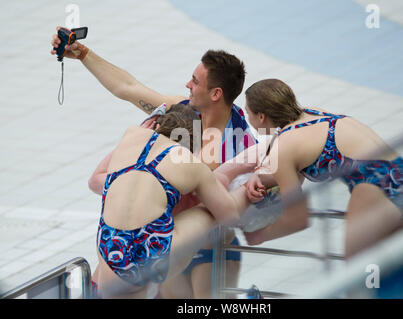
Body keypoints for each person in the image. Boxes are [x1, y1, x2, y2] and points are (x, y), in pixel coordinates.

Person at [52, 28, 258, 298]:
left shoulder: (240, 145)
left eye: (195, 81)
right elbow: (127, 88)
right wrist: (83, 54)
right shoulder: (180, 110)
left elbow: (249, 212)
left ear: (216, 94)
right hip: (160, 241)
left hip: (202, 249)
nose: (187, 85)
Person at [88, 104, 254, 298]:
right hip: (154, 248)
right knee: (209, 213)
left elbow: (96, 179)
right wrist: (242, 179)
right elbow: (230, 216)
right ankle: (250, 178)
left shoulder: (132, 134)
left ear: (156, 125)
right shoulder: (189, 162)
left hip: (112, 246)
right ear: (192, 145)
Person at [243, 79, 403, 258]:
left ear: (261, 116)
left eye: (248, 113)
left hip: (375, 187)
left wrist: (260, 235)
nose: (248, 120)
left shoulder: (282, 147)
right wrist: (264, 178)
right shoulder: (312, 114)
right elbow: (297, 171)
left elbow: (298, 219)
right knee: (382, 272)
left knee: (358, 276)